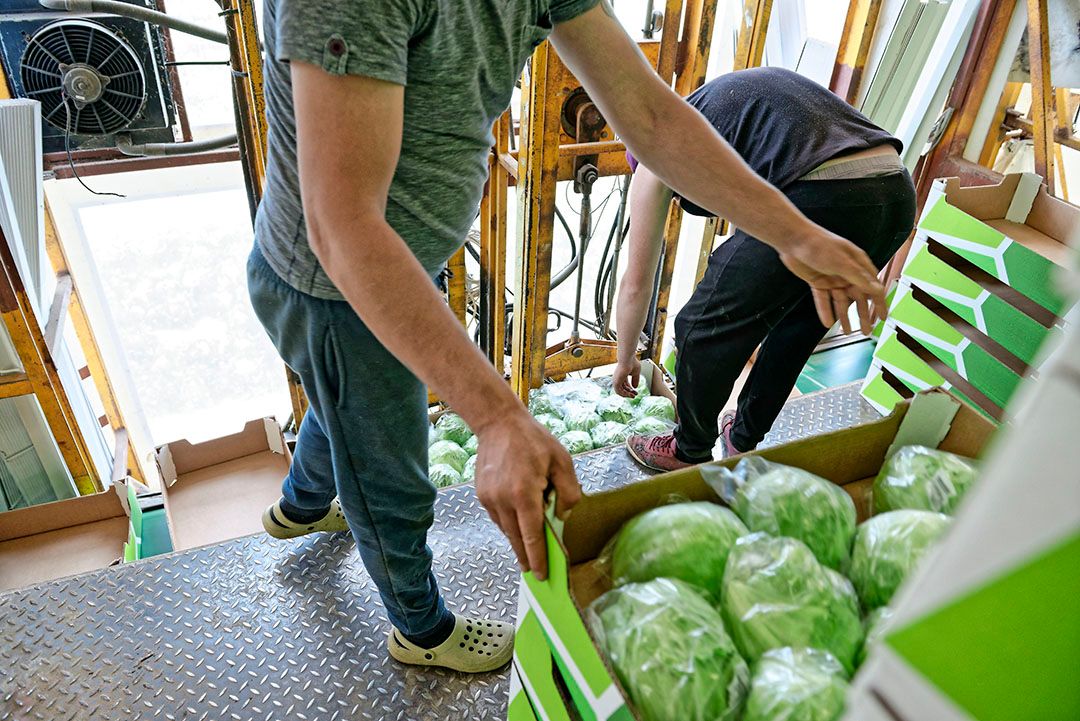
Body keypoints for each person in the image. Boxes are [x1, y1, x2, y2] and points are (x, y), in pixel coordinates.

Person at [247, 0, 888, 675]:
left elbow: (653, 118)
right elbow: (343, 222)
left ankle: (303, 504)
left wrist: (795, 232)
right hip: (335, 284)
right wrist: (495, 416)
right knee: (388, 476)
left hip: (402, 259)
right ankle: (419, 627)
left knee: (348, 404)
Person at [614, 67, 916, 472]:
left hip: (824, 194)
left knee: (700, 328)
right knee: (799, 324)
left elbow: (636, 283)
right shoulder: (716, 112)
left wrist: (624, 356)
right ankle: (742, 438)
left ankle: (687, 451)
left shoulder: (653, 153)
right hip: (895, 192)